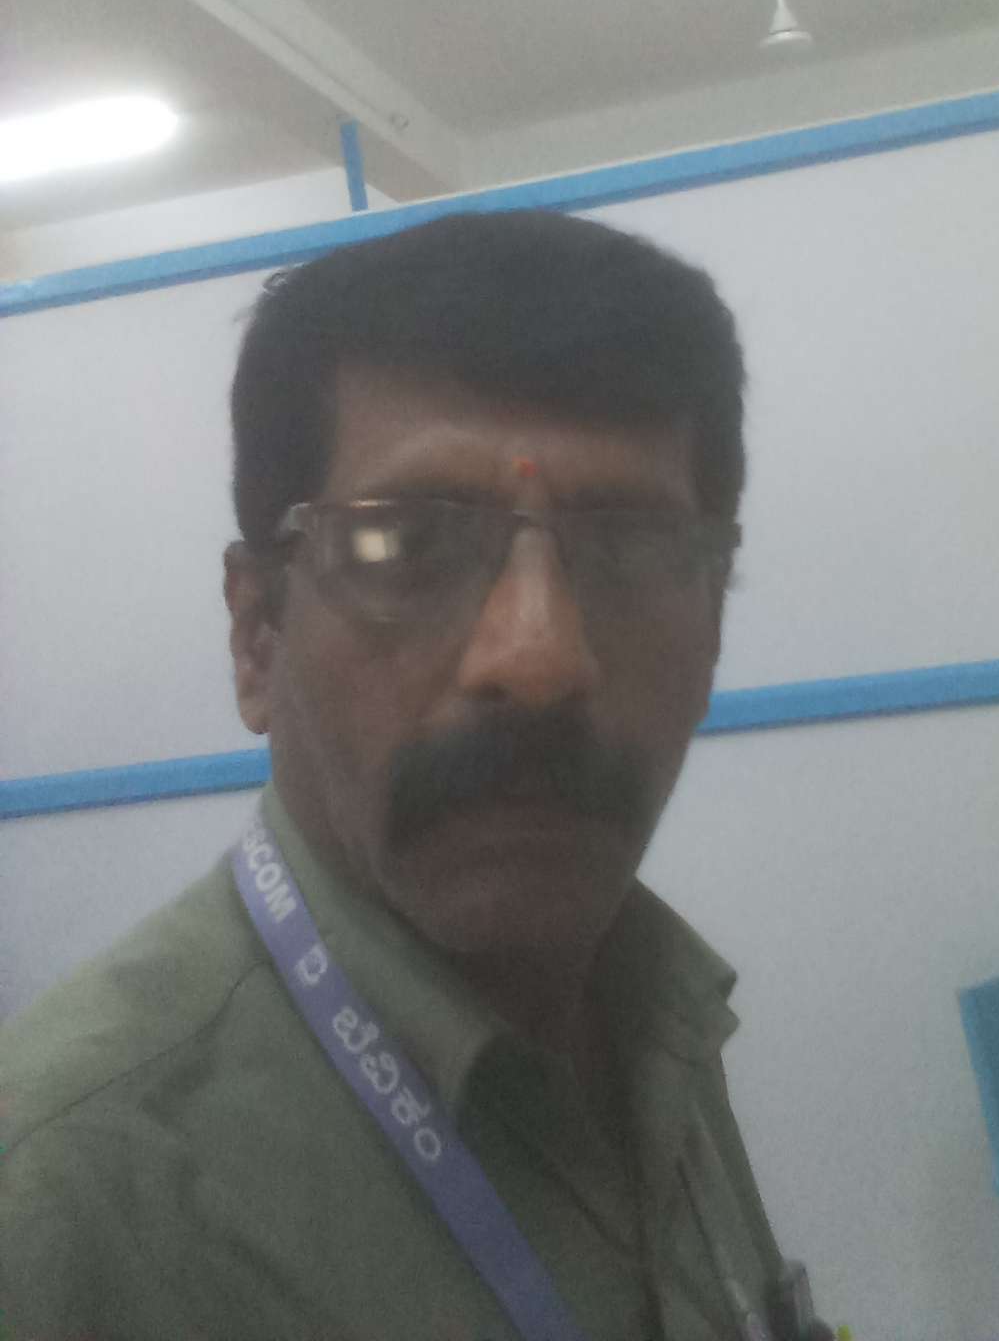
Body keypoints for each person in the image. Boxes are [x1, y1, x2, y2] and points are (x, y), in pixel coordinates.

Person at [0, 210, 831, 1340]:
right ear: (257, 637)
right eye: (403, 545)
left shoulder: (654, 1013)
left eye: (633, 546)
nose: (537, 657)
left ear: (716, 629)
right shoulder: (64, 1207)